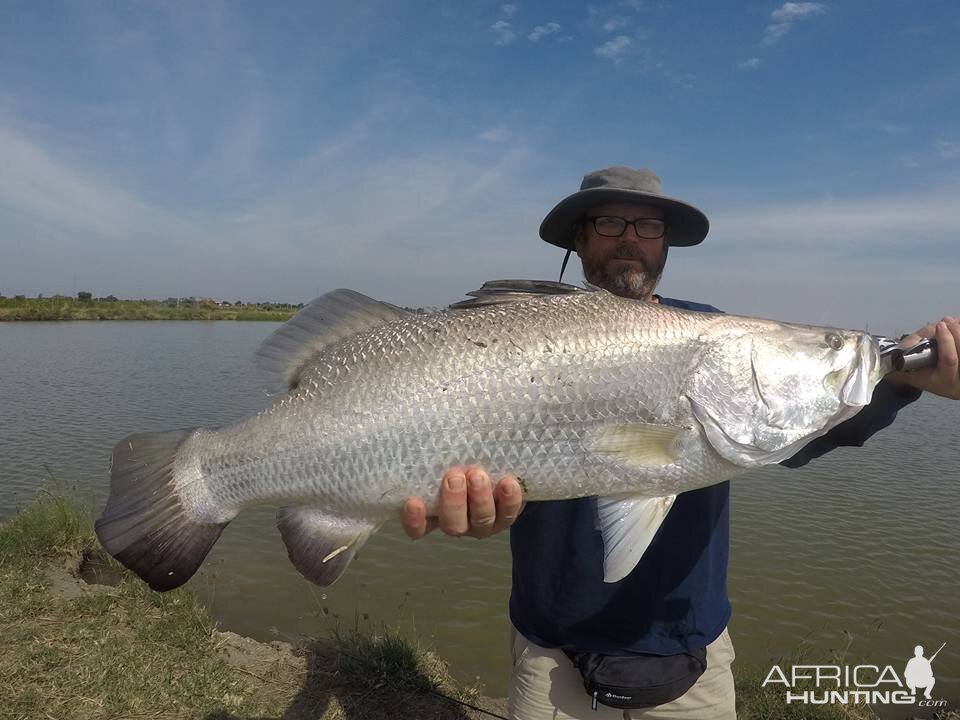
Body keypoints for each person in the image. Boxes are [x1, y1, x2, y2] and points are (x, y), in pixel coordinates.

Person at [401, 167, 960, 719]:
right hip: (550, 655)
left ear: (666, 244)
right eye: (610, 222)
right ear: (579, 237)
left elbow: (802, 433)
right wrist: (464, 510)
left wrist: (903, 377)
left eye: (648, 226)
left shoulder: (712, 334)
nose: (630, 237)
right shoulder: (513, 335)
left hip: (690, 652)